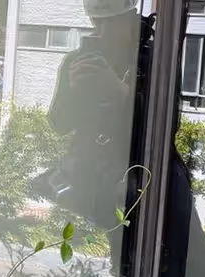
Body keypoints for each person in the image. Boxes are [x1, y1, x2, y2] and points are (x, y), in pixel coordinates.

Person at [37, 0, 141, 232]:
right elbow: (59, 124)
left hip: (134, 182)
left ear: (131, 17)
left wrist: (118, 90)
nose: (103, 32)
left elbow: (163, 127)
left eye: (112, 23)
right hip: (87, 181)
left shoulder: (150, 60)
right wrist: (74, 92)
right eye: (97, 23)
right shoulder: (78, 62)